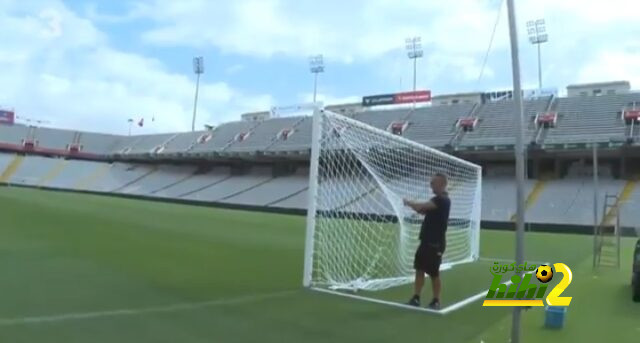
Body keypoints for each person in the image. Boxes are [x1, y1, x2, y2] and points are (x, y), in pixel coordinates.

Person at [403, 173, 451, 310]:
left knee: (434, 273)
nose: (431, 185)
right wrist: (413, 205)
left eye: (433, 183)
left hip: (435, 243)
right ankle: (416, 298)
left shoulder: (442, 199)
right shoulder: (437, 200)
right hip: (425, 241)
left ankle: (436, 300)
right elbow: (421, 210)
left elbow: (420, 207)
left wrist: (408, 202)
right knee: (419, 269)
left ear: (442, 184)